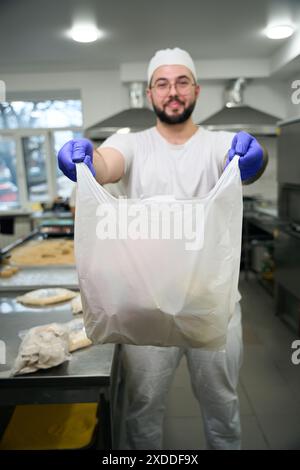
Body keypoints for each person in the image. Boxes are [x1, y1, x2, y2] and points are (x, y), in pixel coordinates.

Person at [58, 47, 268, 450]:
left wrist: (254, 162)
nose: (173, 92)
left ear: (197, 90)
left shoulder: (219, 143)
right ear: (150, 93)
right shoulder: (132, 143)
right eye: (163, 83)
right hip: (144, 304)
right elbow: (106, 164)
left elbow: (241, 164)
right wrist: (85, 162)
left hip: (212, 302)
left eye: (182, 82)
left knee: (221, 405)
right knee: (143, 406)